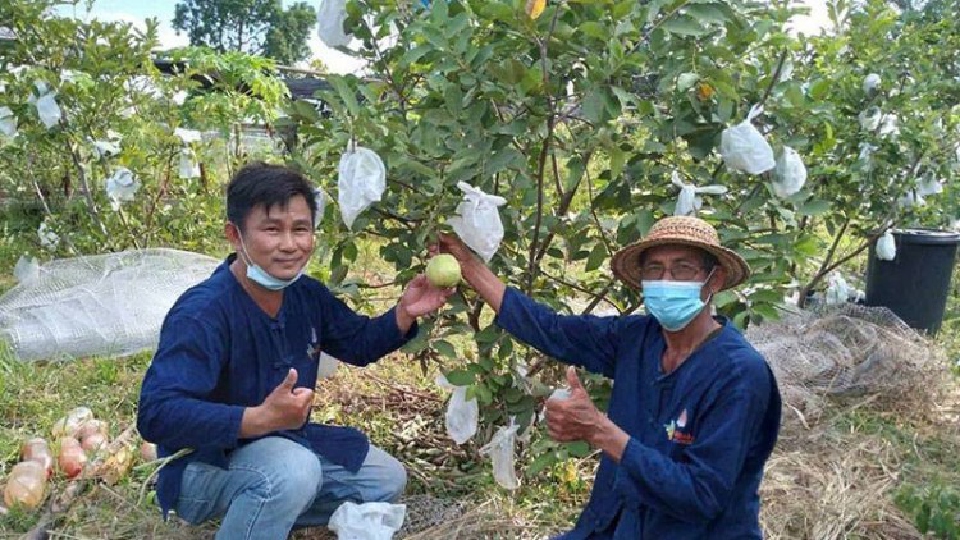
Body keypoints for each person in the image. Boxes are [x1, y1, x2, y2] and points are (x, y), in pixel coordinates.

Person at [137, 162, 454, 540]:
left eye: (300, 229)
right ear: (234, 236)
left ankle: (261, 511)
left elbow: (357, 343)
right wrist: (258, 419)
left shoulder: (304, 295)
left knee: (382, 481)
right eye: (272, 229)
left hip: (280, 444)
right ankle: (263, 501)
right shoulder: (204, 312)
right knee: (292, 472)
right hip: (201, 463)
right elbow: (156, 415)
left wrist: (404, 313)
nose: (290, 245)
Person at [436, 215, 781, 539]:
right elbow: (551, 329)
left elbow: (701, 496)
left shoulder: (739, 375)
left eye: (682, 269)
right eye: (655, 270)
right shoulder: (638, 338)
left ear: (714, 280)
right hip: (617, 524)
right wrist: (468, 266)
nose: (665, 282)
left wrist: (600, 431)